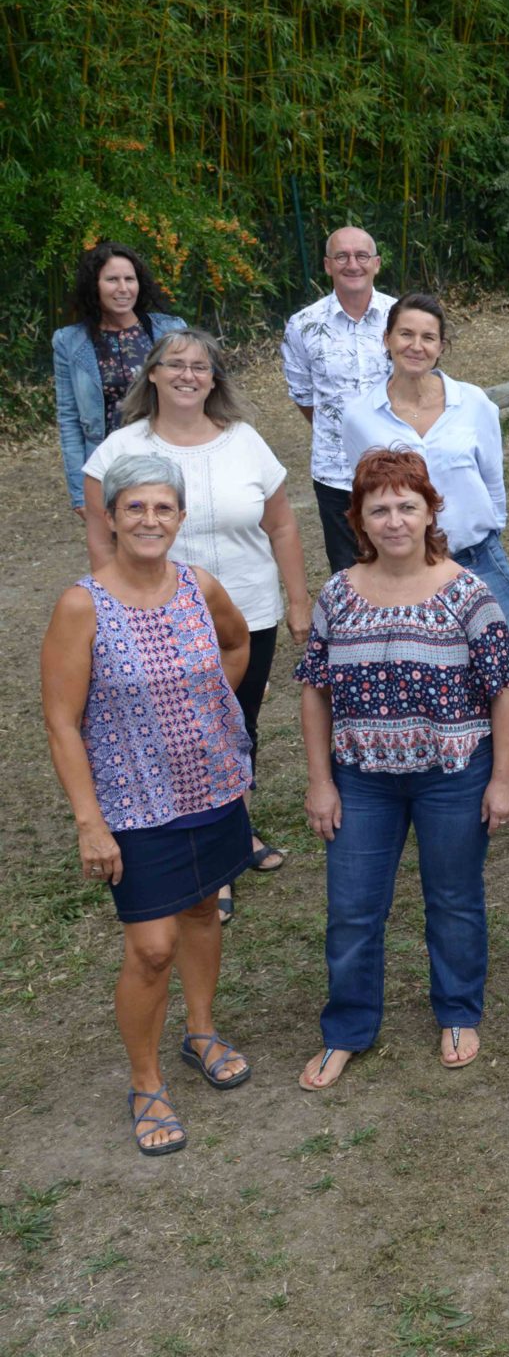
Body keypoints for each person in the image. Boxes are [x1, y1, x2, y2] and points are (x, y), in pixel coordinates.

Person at [41, 452, 256, 1155]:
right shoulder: (82, 604)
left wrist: (211, 708)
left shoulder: (198, 585)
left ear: (181, 518)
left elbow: (236, 642)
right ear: (109, 518)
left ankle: (200, 1032)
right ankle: (146, 1081)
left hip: (211, 786)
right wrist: (89, 821)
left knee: (201, 909)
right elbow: (62, 721)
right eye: (134, 506)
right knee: (151, 947)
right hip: (133, 808)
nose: (149, 519)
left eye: (163, 507)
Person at [293, 449, 509, 1091]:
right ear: (359, 522)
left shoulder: (468, 592)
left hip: (453, 775)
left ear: (429, 512)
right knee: (352, 909)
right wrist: (320, 781)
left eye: (406, 506)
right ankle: (346, 1028)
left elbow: (505, 689)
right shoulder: (337, 594)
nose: (394, 520)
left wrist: (503, 779)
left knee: (452, 899)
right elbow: (313, 689)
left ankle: (457, 1011)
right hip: (362, 779)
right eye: (379, 509)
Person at [83, 328, 312, 915]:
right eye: (176, 364)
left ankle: (232, 836)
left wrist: (297, 599)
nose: (189, 375)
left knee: (236, 723)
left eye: (201, 367)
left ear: (215, 380)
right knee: (174, 731)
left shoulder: (246, 442)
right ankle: (197, 854)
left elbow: (282, 526)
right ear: (152, 374)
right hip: (154, 623)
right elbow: (102, 548)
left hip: (246, 614)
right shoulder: (117, 452)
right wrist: (118, 620)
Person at [340, 292, 509, 849]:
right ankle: (439, 788)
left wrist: (483, 533)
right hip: (403, 573)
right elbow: (361, 494)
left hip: (477, 561)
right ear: (387, 340)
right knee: (426, 685)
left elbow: (494, 478)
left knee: (505, 683)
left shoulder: (474, 402)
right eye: (406, 334)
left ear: (441, 345)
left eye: (428, 336)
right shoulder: (360, 415)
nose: (416, 345)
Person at [281, 226, 396, 573]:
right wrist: (342, 433)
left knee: (403, 561)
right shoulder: (303, 325)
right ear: (328, 265)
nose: (352, 264)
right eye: (342, 256)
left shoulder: (402, 318)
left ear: (376, 263)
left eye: (361, 256)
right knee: (349, 572)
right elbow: (303, 395)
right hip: (336, 473)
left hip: (399, 463)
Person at [55, 241, 188, 522]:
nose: (123, 288)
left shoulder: (170, 330)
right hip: (109, 466)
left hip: (169, 458)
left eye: (130, 279)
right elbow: (69, 419)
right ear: (95, 285)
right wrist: (79, 492)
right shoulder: (69, 342)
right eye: (112, 280)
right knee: (119, 555)